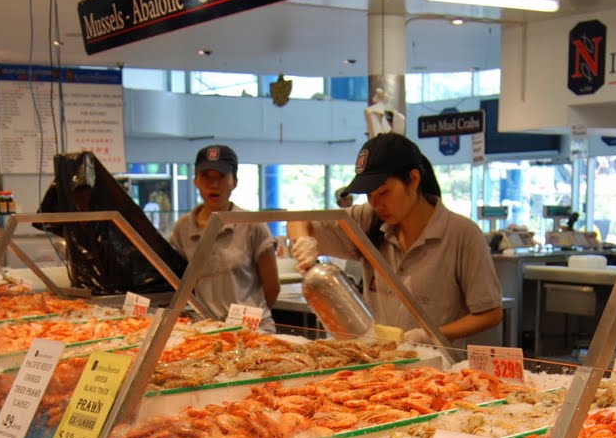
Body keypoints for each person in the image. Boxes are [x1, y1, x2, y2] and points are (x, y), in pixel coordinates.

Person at [288, 133, 503, 348]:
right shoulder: (368, 219)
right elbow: (298, 219)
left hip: (437, 364)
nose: (377, 204)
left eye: (384, 193)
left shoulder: (462, 234)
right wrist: (303, 242)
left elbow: (490, 314)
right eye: (370, 196)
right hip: (377, 361)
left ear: (414, 180)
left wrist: (429, 335)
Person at [170, 144, 280, 332]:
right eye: (206, 176)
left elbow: (272, 286)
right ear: (195, 180)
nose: (213, 184)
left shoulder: (251, 224)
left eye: (221, 176)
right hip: (207, 329)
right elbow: (183, 283)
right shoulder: (183, 228)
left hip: (253, 329)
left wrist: (253, 319)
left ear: (234, 181)